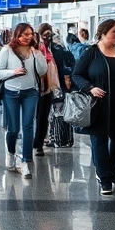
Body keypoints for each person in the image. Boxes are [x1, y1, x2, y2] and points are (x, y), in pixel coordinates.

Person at [71, 19, 115, 195]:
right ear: (102, 34)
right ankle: (105, 179)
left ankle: (107, 167)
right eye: (114, 32)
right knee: (99, 142)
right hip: (99, 107)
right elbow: (77, 75)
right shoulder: (91, 53)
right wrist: (90, 88)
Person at [0, 23, 47, 179]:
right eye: (24, 34)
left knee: (28, 125)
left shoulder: (35, 52)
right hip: (11, 93)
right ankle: (11, 153)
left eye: (30, 34)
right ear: (16, 35)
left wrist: (37, 54)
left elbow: (43, 71)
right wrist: (13, 72)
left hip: (31, 92)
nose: (28, 37)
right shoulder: (7, 50)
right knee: (13, 129)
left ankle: (26, 161)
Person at [34, 23, 70, 156]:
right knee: (36, 115)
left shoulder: (54, 48)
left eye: (50, 35)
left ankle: (41, 141)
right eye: (45, 35)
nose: (47, 37)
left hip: (51, 86)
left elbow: (67, 62)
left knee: (44, 114)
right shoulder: (35, 47)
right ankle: (35, 140)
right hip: (36, 86)